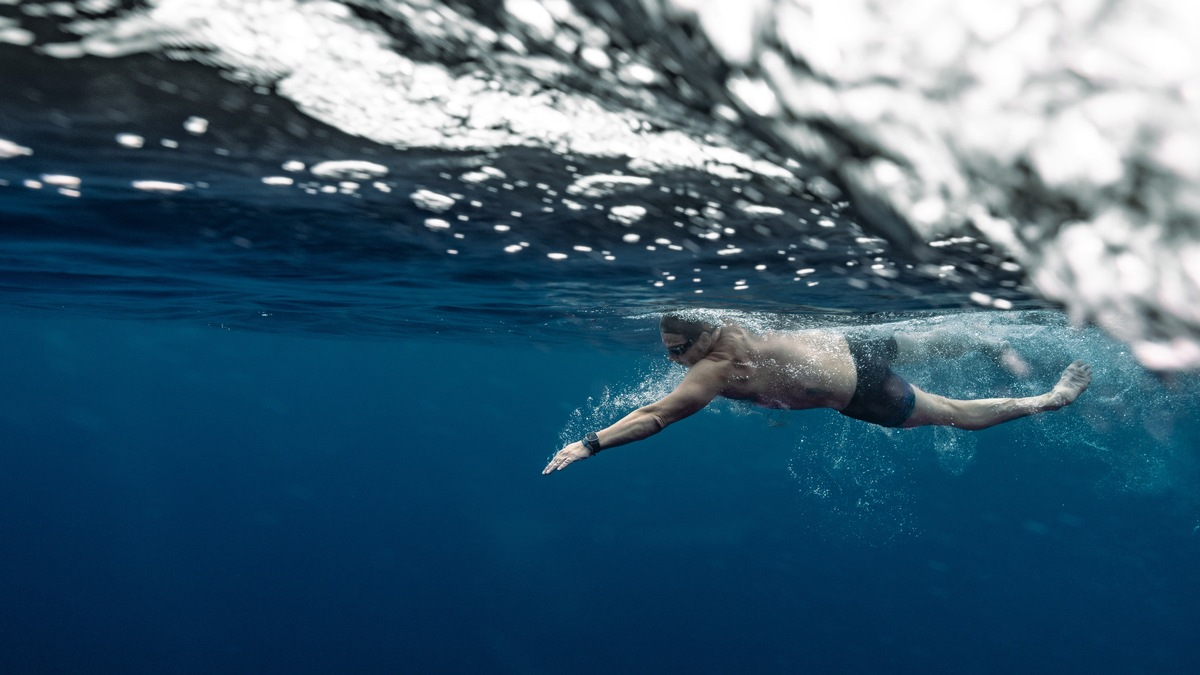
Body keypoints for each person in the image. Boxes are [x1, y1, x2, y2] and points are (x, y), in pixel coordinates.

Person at [542, 313, 1092, 474]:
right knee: (928, 340)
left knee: (954, 414)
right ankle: (990, 340)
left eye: (677, 350)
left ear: (706, 337)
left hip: (862, 392)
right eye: (667, 351)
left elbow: (657, 415)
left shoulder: (713, 367)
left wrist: (590, 444)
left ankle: (1050, 399)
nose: (672, 360)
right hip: (851, 343)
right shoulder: (730, 324)